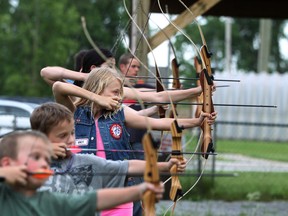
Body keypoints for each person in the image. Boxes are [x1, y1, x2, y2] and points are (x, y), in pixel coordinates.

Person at [31, 102, 186, 216]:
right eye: (62, 136)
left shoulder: (85, 161)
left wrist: (165, 166)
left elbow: (126, 166)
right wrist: (42, 149)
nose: (71, 140)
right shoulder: (26, 164)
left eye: (72, 133)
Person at [0, 130, 164, 216]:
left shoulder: (49, 201)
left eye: (46, 158)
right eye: (36, 157)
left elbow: (93, 199)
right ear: (7, 163)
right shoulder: (4, 195)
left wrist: (140, 190)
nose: (44, 163)